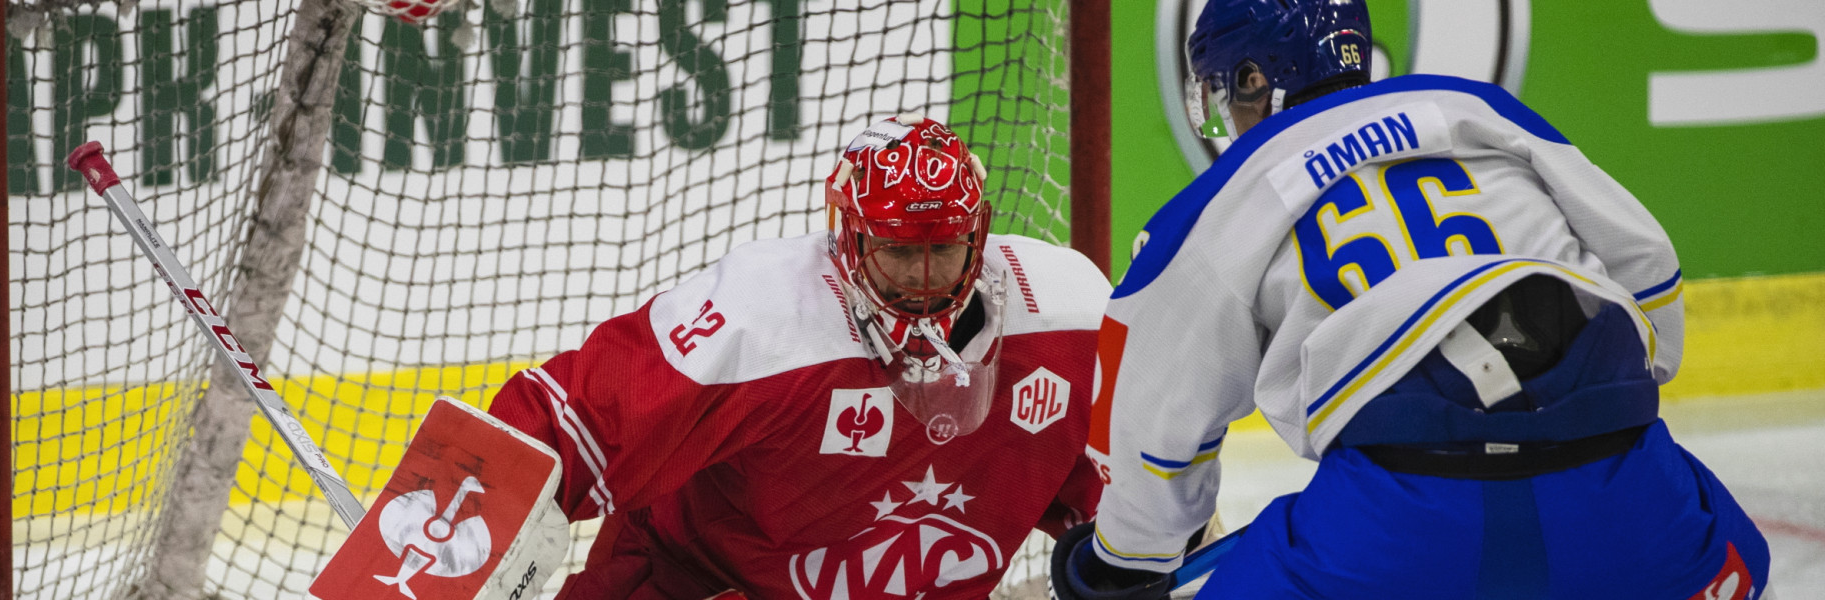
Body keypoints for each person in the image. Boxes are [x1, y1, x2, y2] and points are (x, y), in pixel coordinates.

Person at [1050, 0, 1772, 598]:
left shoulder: (1217, 203)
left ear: (1252, 78)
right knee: (1748, 561)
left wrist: (1124, 558)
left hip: (1401, 525)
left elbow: (1153, 420)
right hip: (1623, 487)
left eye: (1222, 91)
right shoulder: (1479, 109)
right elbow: (1646, 264)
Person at [486, 114, 1110, 599]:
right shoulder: (762, 313)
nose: (923, 278)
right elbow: (570, 423)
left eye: (944, 247)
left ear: (979, 233)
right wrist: (453, 540)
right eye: (896, 249)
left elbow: (1127, 510)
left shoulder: (1071, 314)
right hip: (702, 584)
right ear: (847, 233)